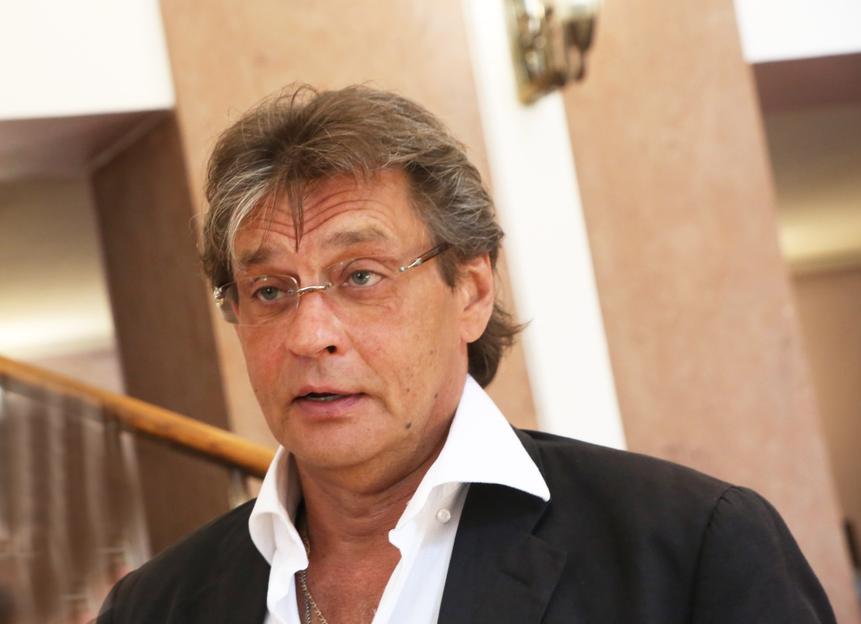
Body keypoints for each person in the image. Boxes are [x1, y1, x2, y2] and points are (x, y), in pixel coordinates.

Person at [98, 84, 836, 623]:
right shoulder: (154, 606)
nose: (308, 333)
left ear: (472, 291)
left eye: (361, 276)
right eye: (269, 290)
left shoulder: (687, 548)